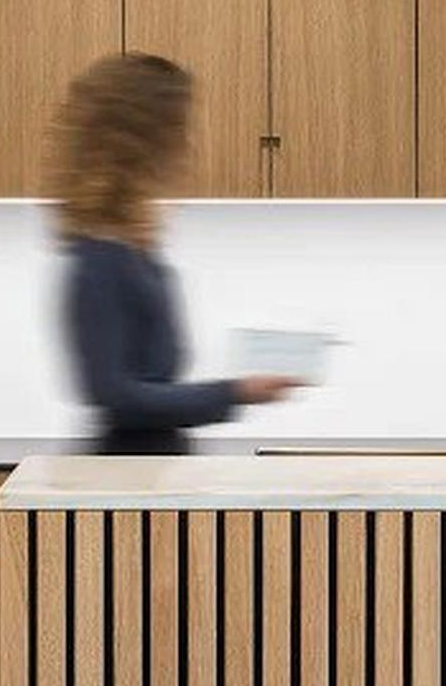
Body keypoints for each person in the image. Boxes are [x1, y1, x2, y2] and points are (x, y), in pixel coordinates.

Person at [47, 53, 299, 434]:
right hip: (124, 464)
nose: (188, 142)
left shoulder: (133, 248)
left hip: (153, 459)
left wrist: (236, 392)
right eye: (178, 128)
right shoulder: (100, 260)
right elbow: (116, 395)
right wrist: (236, 392)